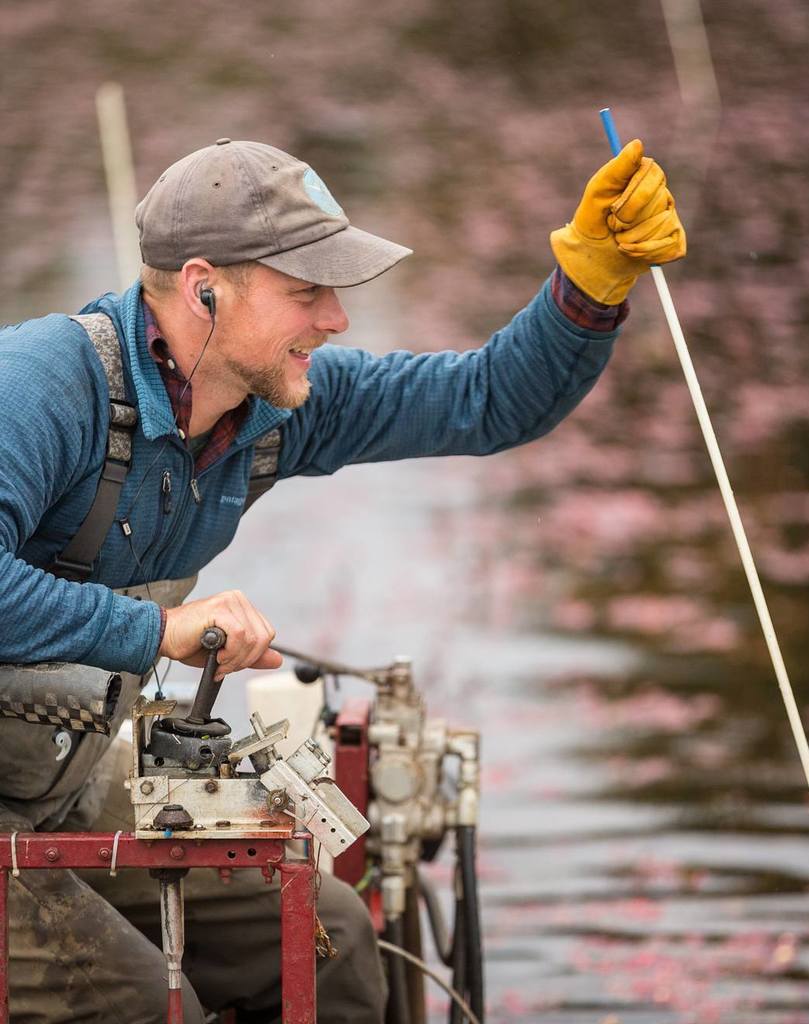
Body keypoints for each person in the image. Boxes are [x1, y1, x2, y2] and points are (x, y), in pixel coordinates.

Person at [0, 135, 684, 1022]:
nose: (335, 319)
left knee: (328, 935)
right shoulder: (42, 384)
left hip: (56, 786)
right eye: (305, 292)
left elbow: (486, 400)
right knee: (131, 999)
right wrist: (157, 631)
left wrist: (592, 278)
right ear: (205, 286)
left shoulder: (275, 413)